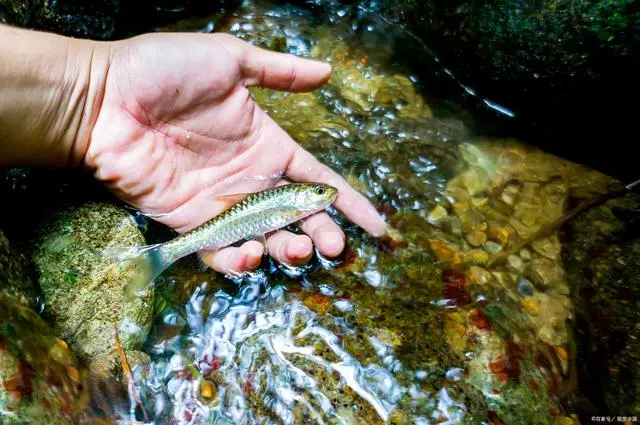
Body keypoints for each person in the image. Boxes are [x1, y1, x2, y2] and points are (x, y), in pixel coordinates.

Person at [0, 24, 387, 274]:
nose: (325, 194)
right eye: (318, 192)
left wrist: (95, 90)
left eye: (319, 192)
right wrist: (100, 87)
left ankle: (165, 254)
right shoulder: (291, 200)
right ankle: (165, 254)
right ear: (303, 198)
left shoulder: (288, 200)